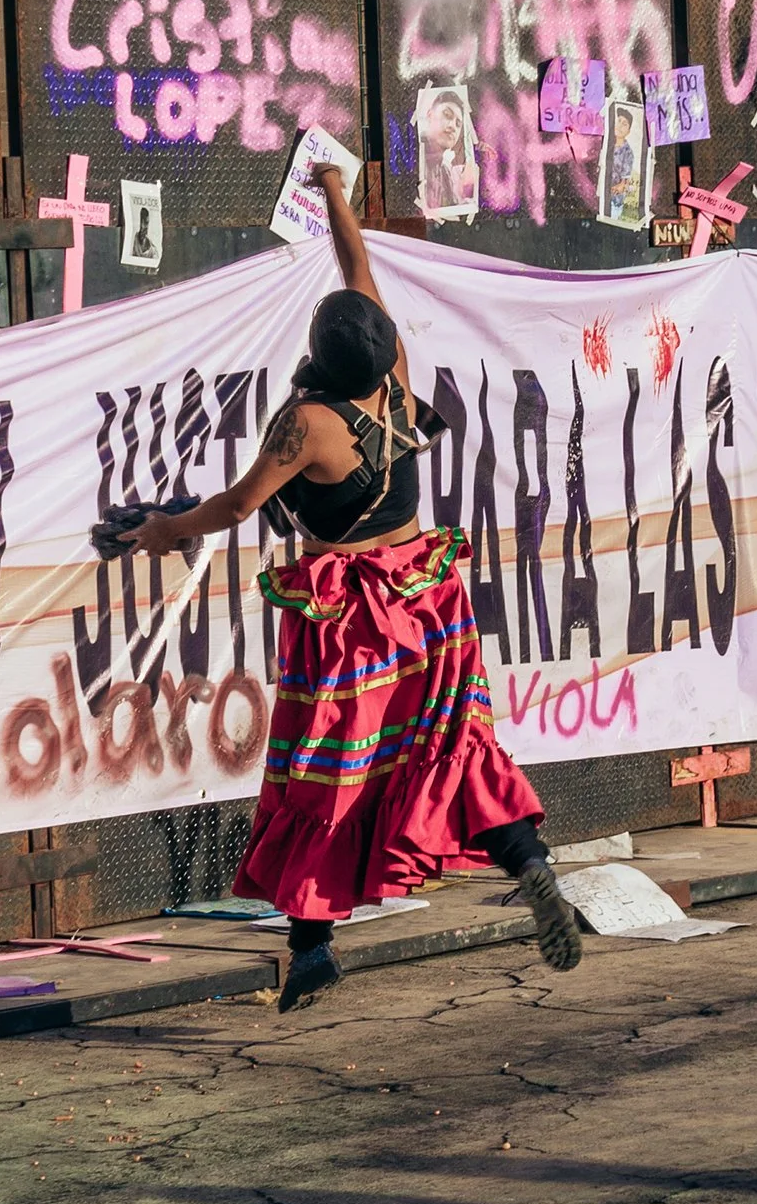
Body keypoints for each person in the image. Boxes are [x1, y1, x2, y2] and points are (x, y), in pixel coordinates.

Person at [122, 164, 581, 1011]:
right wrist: (335, 194)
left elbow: (234, 504)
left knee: (322, 771)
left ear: (317, 357)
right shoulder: (393, 372)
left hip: (350, 619)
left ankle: (310, 951)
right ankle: (531, 864)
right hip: (431, 597)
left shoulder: (308, 424)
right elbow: (359, 272)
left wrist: (161, 530)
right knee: (453, 746)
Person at [420, 90, 477, 213]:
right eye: (447, 114)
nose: (452, 126)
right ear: (430, 115)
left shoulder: (445, 170)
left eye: (458, 124)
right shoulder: (413, 158)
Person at [608, 107, 638, 222]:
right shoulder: (607, 144)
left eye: (624, 124)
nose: (620, 125)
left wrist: (611, 189)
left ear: (628, 131)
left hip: (614, 201)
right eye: (619, 121)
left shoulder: (627, 153)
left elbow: (623, 184)